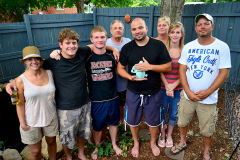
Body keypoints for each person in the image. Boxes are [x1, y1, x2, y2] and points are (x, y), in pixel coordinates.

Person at [7, 28, 119, 160]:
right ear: (60, 45)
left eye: (74, 43)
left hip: (83, 103)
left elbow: (97, 44)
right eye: (67, 43)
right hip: (65, 108)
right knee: (66, 137)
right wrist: (12, 82)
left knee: (82, 133)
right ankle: (69, 156)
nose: (71, 46)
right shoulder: (52, 61)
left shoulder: (82, 52)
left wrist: (114, 49)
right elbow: (32, 72)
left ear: (77, 44)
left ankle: (82, 153)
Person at [170, 14, 231, 160]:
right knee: (183, 122)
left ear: (212, 26)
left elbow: (224, 73)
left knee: (207, 129)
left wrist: (208, 92)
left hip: (208, 99)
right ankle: (182, 142)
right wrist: (188, 91)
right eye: (199, 24)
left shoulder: (222, 47)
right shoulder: (189, 47)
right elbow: (182, 70)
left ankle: (206, 152)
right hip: (187, 96)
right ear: (195, 28)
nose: (202, 26)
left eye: (206, 23)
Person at [117, 18, 172, 157]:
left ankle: (153, 142)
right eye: (134, 29)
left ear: (146, 28)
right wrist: (130, 77)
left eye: (140, 28)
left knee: (154, 122)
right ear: (131, 31)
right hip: (133, 92)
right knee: (133, 120)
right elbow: (120, 68)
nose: (137, 31)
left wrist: (150, 67)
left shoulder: (158, 45)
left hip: (153, 92)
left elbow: (168, 66)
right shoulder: (127, 48)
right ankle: (136, 142)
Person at [85, 25, 122, 160]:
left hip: (113, 97)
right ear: (91, 39)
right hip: (96, 100)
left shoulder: (113, 56)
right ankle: (97, 147)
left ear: (107, 38)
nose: (99, 40)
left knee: (113, 123)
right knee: (98, 126)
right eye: (96, 37)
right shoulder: (87, 58)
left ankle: (113, 144)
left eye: (102, 37)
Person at [15, 46, 58, 160]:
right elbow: (19, 104)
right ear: (24, 61)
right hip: (31, 120)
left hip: (51, 116)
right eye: (30, 59)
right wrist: (22, 123)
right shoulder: (20, 80)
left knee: (52, 142)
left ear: (41, 60)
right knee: (35, 151)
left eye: (36, 58)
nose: (34, 62)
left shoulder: (50, 73)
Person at [158, 22, 185, 148]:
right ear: (169, 34)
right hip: (163, 88)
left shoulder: (185, 51)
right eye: (172, 32)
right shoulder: (164, 49)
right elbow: (160, 70)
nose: (175, 35)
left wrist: (173, 86)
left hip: (178, 89)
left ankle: (169, 135)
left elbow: (185, 72)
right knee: (162, 111)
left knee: (174, 113)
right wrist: (167, 85)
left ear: (181, 34)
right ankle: (162, 135)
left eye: (177, 32)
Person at [106, 20, 131, 123]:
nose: (118, 30)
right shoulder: (106, 42)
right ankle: (114, 121)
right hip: (111, 80)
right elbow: (95, 46)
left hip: (125, 79)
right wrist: (113, 49)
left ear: (123, 30)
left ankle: (124, 121)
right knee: (113, 103)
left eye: (120, 28)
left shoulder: (128, 41)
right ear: (111, 30)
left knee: (124, 102)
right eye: (115, 28)